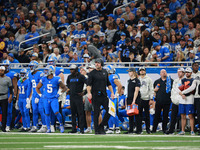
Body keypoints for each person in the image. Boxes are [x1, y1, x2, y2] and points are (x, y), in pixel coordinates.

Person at [36, 65, 67, 133]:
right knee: (46, 113)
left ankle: (61, 124)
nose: (45, 71)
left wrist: (59, 94)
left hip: (53, 98)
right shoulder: (43, 78)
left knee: (56, 112)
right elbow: (37, 87)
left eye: (47, 70)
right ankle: (48, 128)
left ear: (51, 71)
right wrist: (41, 95)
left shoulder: (56, 78)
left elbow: (64, 88)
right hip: (46, 98)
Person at [87, 58, 114, 134]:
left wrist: (112, 92)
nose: (96, 64)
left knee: (110, 110)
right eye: (95, 63)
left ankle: (101, 126)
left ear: (101, 64)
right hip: (95, 95)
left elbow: (108, 84)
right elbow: (88, 84)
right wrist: (89, 93)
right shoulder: (92, 73)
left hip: (104, 95)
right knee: (96, 113)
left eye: (98, 63)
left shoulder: (105, 72)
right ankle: (97, 130)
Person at [66, 64, 87, 134]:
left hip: (78, 97)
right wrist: (70, 90)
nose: (71, 71)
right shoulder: (69, 77)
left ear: (76, 70)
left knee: (80, 113)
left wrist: (84, 92)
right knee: (73, 114)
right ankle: (74, 129)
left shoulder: (81, 76)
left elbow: (88, 83)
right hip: (72, 97)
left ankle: (81, 129)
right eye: (71, 69)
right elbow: (68, 84)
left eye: (73, 69)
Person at [152, 69, 173, 134]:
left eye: (165, 72)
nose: (164, 73)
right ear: (160, 74)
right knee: (156, 115)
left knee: (165, 116)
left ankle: (164, 129)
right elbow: (154, 91)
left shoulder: (170, 81)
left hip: (167, 101)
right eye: (162, 72)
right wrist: (154, 90)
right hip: (159, 101)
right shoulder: (157, 81)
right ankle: (154, 129)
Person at [28, 60, 46, 132]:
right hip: (34, 95)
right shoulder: (29, 74)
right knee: (34, 111)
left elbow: (41, 86)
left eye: (32, 66)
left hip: (40, 94)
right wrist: (27, 98)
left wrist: (39, 96)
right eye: (30, 66)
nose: (31, 68)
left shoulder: (40, 74)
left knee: (41, 110)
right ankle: (34, 126)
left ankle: (44, 126)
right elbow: (29, 87)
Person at [104, 65, 122, 134]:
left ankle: (117, 128)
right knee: (108, 113)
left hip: (112, 97)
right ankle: (111, 128)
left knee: (113, 113)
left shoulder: (112, 76)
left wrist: (117, 93)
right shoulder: (106, 77)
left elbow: (119, 85)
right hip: (107, 97)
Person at [166, 68, 185, 134]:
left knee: (183, 116)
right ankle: (171, 130)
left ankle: (183, 130)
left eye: (180, 72)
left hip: (182, 101)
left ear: (183, 73)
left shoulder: (185, 80)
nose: (178, 73)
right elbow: (173, 90)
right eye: (178, 72)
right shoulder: (175, 81)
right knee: (173, 116)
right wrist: (172, 98)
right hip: (175, 101)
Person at [178, 67, 195, 135]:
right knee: (183, 115)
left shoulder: (193, 80)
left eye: (188, 72)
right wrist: (181, 94)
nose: (187, 73)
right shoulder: (182, 80)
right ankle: (183, 130)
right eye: (186, 72)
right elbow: (178, 88)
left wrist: (183, 92)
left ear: (191, 73)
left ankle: (192, 130)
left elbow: (192, 88)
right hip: (183, 99)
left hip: (190, 98)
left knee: (190, 115)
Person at [2, 60, 18, 132]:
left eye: (6, 66)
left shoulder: (12, 74)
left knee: (8, 111)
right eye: (4, 66)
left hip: (8, 94)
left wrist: (14, 95)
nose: (5, 68)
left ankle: (8, 125)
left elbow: (15, 86)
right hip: (2, 93)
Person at [125, 68, 142, 134]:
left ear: (134, 72)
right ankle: (131, 129)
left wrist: (134, 100)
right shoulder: (129, 81)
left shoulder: (137, 80)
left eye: (130, 71)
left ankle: (139, 130)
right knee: (130, 115)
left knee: (137, 115)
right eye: (128, 72)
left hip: (136, 100)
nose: (129, 73)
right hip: (129, 99)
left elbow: (136, 91)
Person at [138, 67, 153, 134]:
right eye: (140, 70)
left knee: (147, 115)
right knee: (139, 115)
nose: (141, 71)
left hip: (146, 99)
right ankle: (139, 129)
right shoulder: (138, 79)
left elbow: (151, 89)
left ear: (145, 71)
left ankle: (148, 129)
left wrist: (151, 98)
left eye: (143, 70)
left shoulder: (149, 79)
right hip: (139, 99)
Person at [0, 66, 13, 132]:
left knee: (4, 113)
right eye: (0, 70)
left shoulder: (8, 79)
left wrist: (11, 96)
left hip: (4, 97)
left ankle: (3, 127)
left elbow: (11, 88)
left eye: (2, 70)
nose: (1, 72)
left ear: (4, 71)